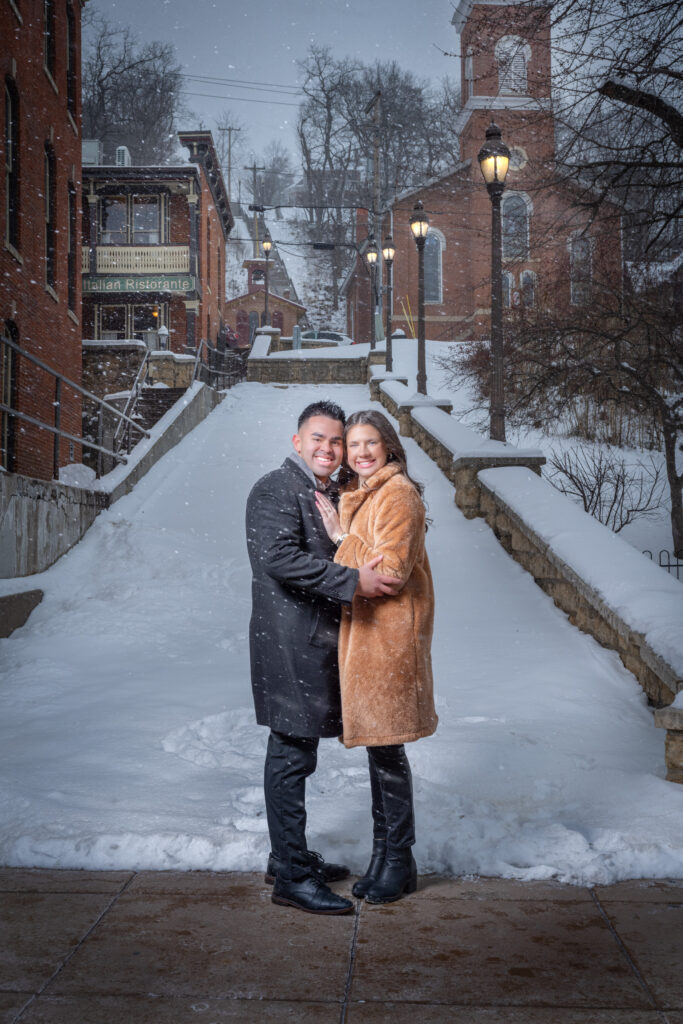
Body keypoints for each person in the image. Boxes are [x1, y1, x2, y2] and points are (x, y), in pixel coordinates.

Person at [245, 400, 401, 915]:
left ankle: (285, 857)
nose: (329, 449)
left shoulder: (331, 493)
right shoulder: (275, 487)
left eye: (336, 441)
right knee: (290, 755)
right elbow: (278, 558)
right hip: (291, 644)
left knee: (298, 754)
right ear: (297, 441)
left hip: (317, 643)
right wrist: (354, 581)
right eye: (319, 439)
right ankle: (291, 878)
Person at [315, 410, 438, 904]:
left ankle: (399, 859)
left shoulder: (398, 494)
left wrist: (341, 539)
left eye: (371, 443)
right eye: (355, 444)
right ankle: (386, 857)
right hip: (368, 638)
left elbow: (388, 571)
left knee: (387, 751)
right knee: (380, 751)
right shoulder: (362, 496)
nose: (362, 452)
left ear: (389, 447)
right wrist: (346, 532)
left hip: (389, 640)